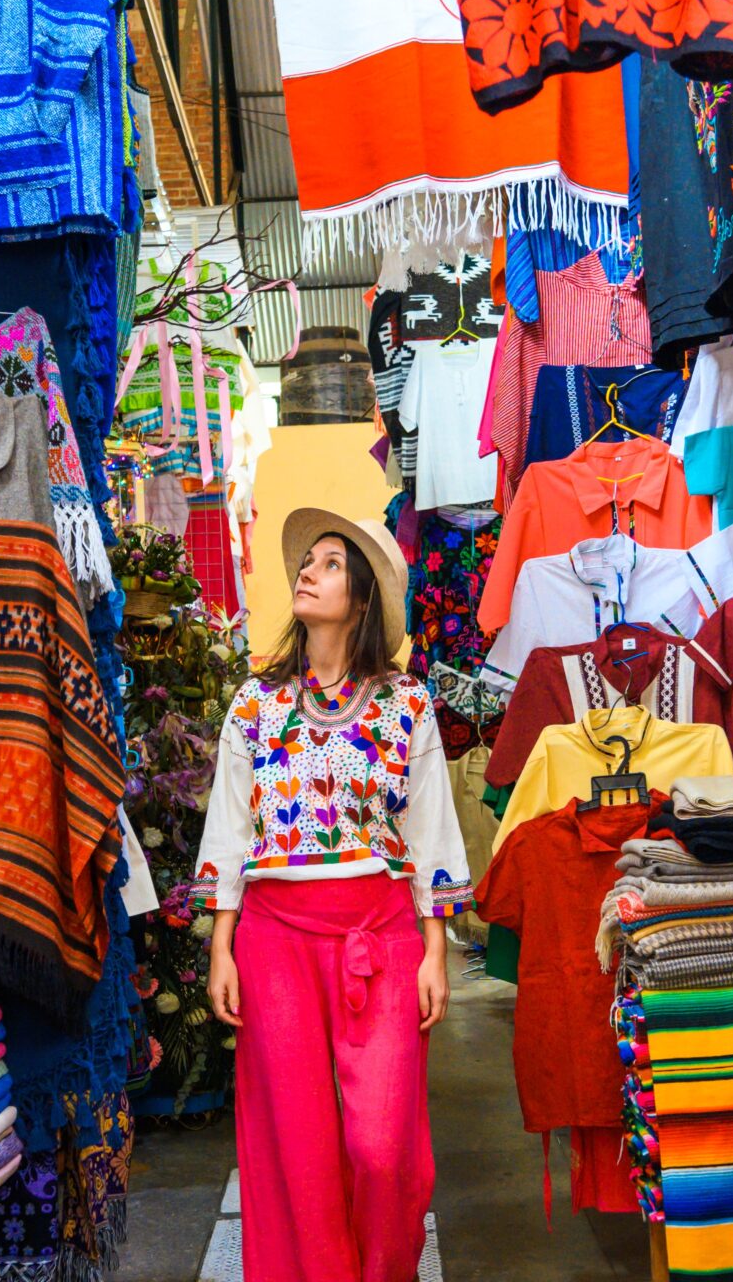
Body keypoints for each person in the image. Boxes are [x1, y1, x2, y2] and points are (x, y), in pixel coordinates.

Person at [193, 508, 473, 1282]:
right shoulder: (254, 704)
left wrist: (433, 950)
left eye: (330, 564)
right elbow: (229, 827)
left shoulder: (406, 704)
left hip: (378, 943)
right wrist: (222, 944)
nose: (308, 573)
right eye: (306, 562)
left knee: (383, 1151)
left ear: (362, 599)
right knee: (301, 1151)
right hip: (274, 943)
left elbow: (431, 833)